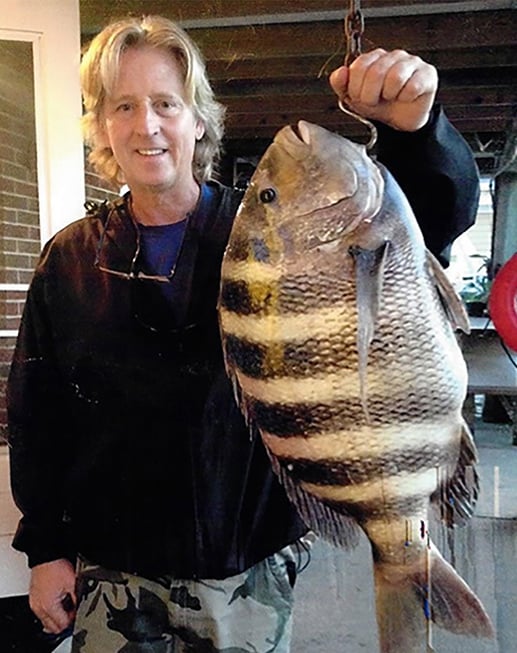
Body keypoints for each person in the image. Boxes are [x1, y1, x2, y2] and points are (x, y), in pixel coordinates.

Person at [7, 14, 479, 653]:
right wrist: (46, 548)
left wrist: (416, 134)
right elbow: (38, 417)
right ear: (102, 127)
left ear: (197, 119)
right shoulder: (69, 259)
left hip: (249, 570)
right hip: (114, 573)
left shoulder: (267, 233)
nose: (146, 125)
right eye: (124, 106)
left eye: (165, 103)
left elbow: (426, 222)